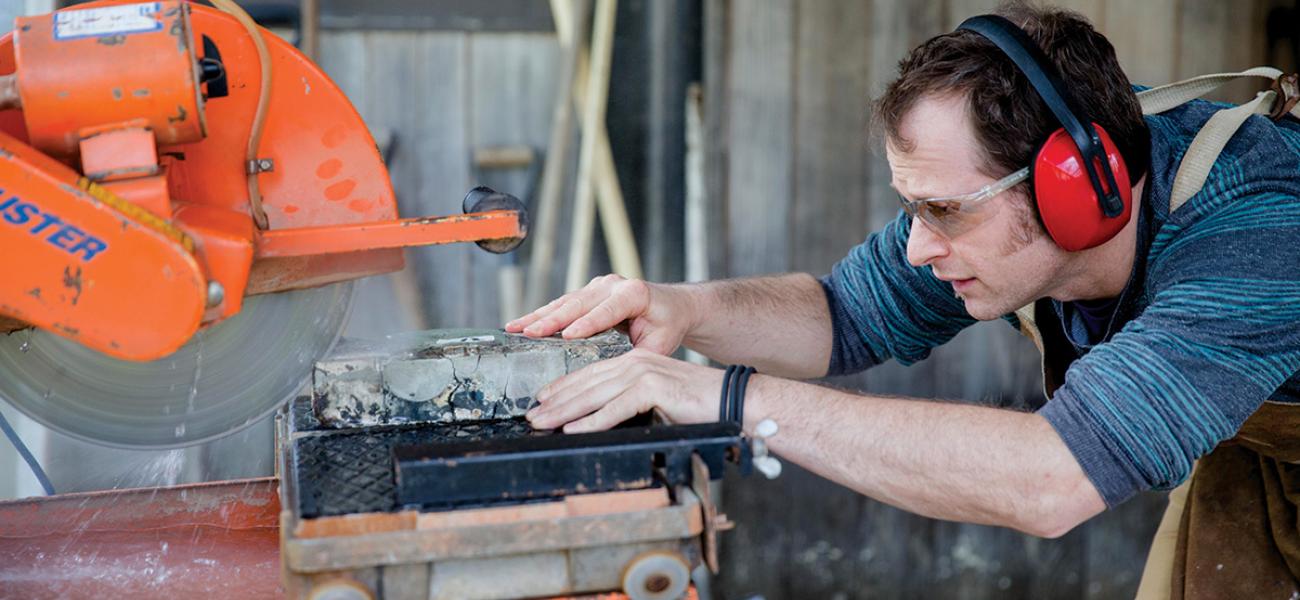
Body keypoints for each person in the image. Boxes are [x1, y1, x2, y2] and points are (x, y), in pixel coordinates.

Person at [507, 3, 1300, 597]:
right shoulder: (1023, 184)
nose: (919, 247)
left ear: (1079, 189)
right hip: (1261, 464)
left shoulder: (1260, 228)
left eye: (947, 211)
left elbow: (1051, 478)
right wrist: (682, 310)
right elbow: (841, 314)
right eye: (914, 209)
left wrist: (725, 395)